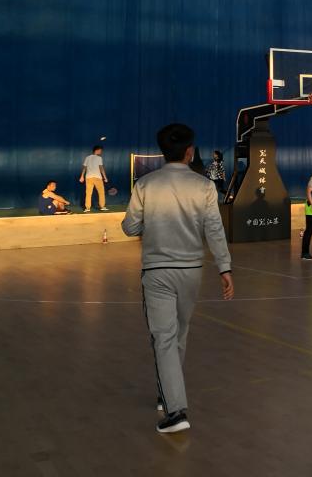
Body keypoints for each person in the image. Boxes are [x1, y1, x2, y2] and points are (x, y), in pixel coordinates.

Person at [121, 122, 233, 435]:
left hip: (157, 271)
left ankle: (176, 411)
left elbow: (130, 227)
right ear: (189, 152)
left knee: (164, 338)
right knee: (178, 336)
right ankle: (168, 395)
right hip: (191, 272)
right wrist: (224, 267)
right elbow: (214, 228)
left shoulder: (146, 184)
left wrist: (151, 223)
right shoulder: (204, 186)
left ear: (162, 152)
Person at [80, 144, 108, 212]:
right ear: (97, 150)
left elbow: (84, 168)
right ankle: (102, 206)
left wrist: (82, 176)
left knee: (88, 193)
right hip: (97, 177)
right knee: (101, 192)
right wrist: (105, 177)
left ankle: (87, 208)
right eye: (100, 150)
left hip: (88, 178)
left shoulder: (87, 157)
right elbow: (101, 168)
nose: (101, 152)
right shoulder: (99, 158)